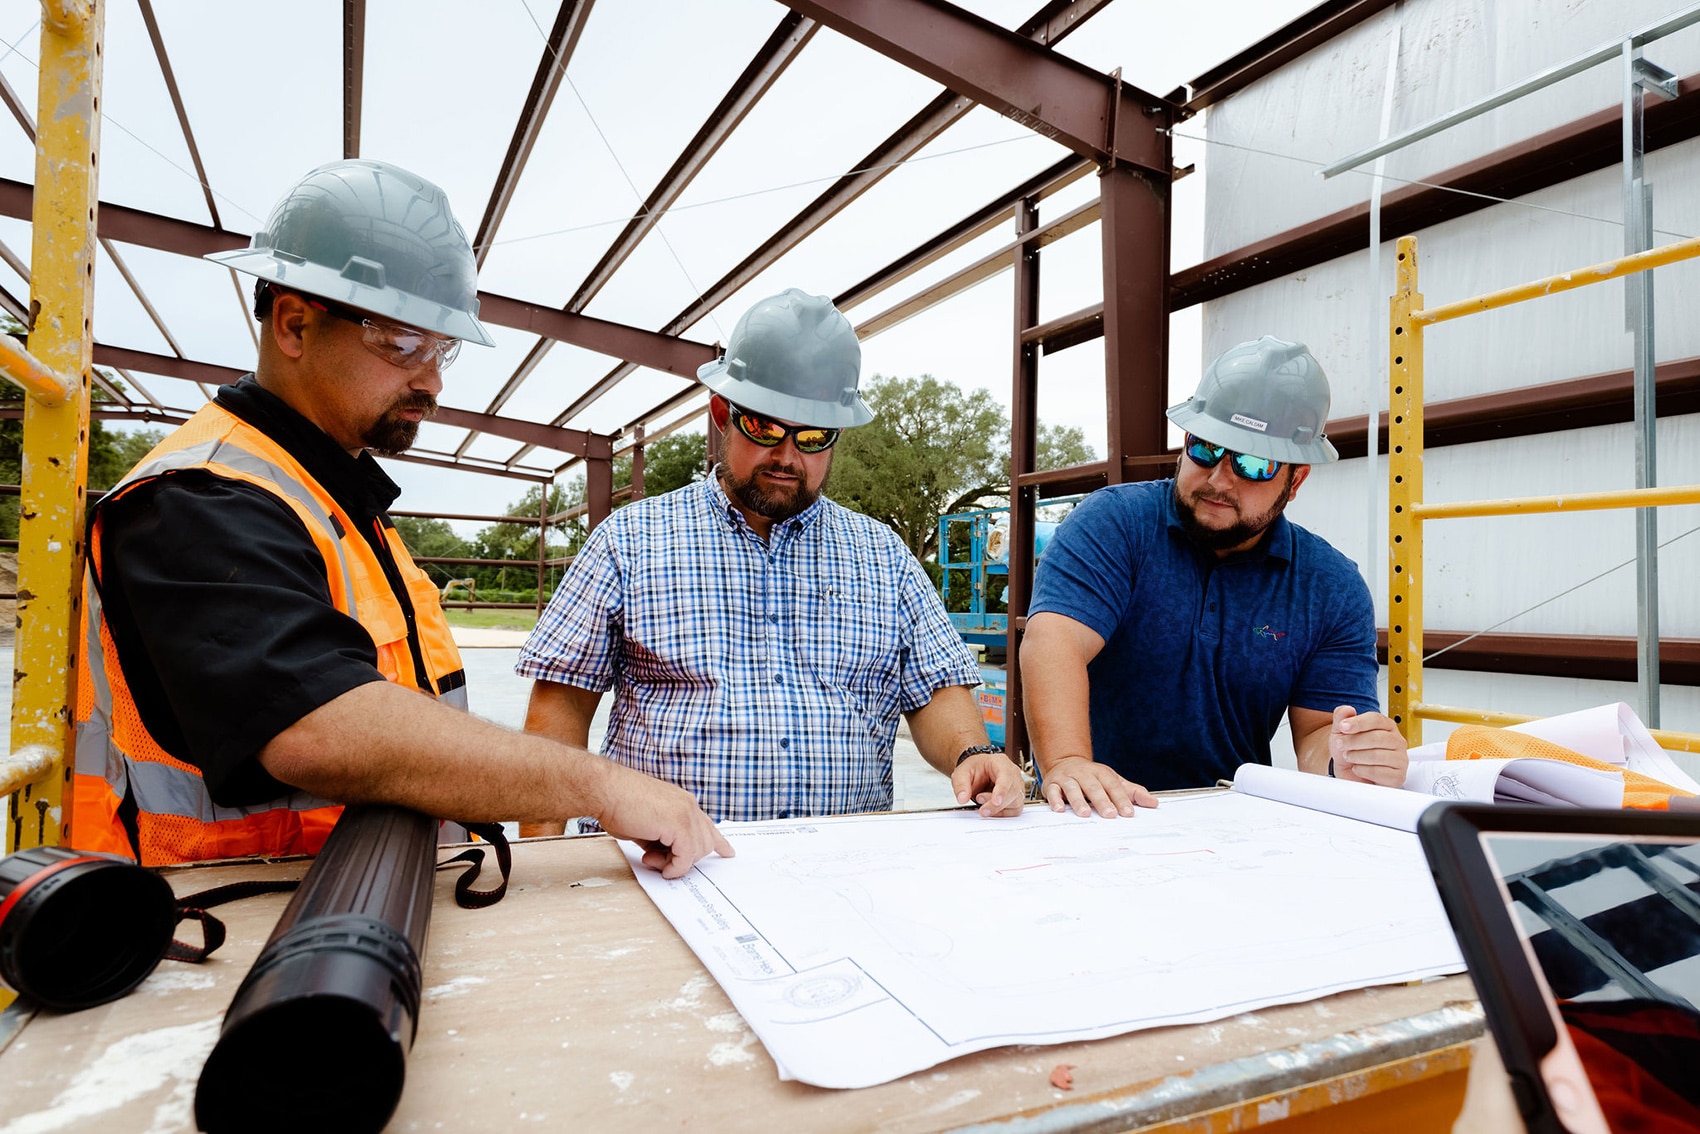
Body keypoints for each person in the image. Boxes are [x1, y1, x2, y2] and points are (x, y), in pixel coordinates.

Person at [70, 159, 730, 878]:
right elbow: (318, 727)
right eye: (404, 343)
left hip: (348, 903)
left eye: (439, 348)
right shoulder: (199, 499)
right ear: (294, 324)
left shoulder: (336, 506)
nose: (433, 381)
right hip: (218, 925)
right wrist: (599, 785)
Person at [515, 289, 1028, 829]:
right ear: (722, 413)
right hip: (663, 870)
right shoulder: (630, 542)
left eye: (811, 436)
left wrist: (972, 755)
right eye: (764, 427)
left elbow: (936, 691)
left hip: (842, 871)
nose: (786, 455)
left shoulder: (883, 556)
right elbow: (560, 708)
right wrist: (548, 858)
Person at [1020, 336, 1408, 817]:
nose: (1220, 479)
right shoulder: (1115, 524)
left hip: (1225, 825)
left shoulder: (1329, 588)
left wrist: (1346, 763)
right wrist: (1069, 762)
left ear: (1296, 480)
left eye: (1254, 463)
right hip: (1090, 813)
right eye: (1205, 448)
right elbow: (1053, 642)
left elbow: (1317, 733)